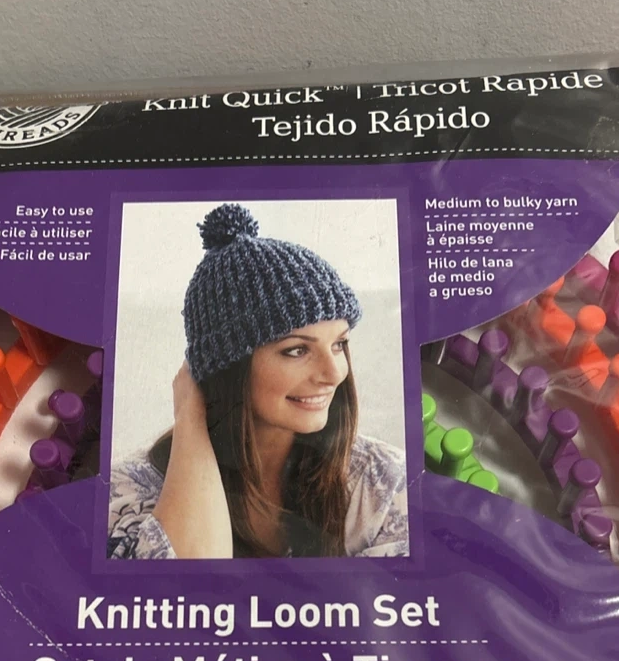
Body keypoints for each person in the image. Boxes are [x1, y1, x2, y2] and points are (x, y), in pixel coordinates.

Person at [107, 203, 408, 560]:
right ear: (228, 367)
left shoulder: (383, 483)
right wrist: (190, 415)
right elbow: (183, 589)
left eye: (339, 344)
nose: (334, 374)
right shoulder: (129, 490)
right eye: (297, 350)